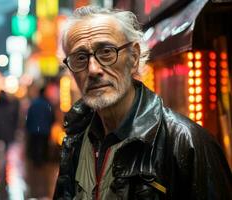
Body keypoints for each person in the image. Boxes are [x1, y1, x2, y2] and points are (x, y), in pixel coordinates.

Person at [53, 6, 232, 200]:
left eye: (106, 51)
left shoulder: (187, 143)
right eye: (80, 58)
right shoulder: (76, 139)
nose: (94, 69)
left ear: (134, 56)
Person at [26, 84, 55, 166]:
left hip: (34, 129)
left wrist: (28, 126)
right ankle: (42, 160)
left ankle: (35, 160)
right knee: (43, 145)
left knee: (35, 145)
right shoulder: (48, 104)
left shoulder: (34, 103)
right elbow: (52, 117)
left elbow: (29, 116)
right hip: (45, 129)